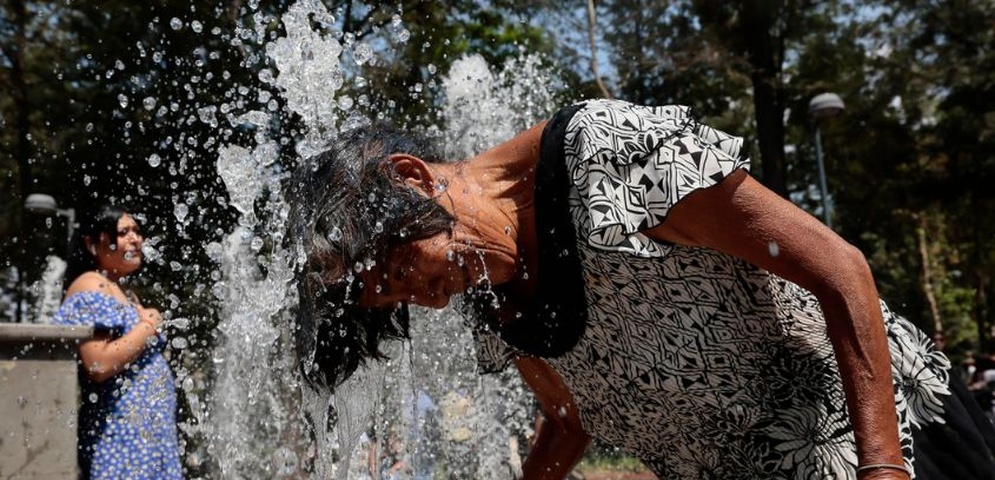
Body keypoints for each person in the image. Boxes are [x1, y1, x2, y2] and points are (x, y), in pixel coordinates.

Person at [289, 99, 995, 479]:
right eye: (400, 301)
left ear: (412, 178)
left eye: (403, 272)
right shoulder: (491, 293)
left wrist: (883, 468)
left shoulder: (605, 152)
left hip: (884, 441)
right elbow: (570, 420)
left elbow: (840, 270)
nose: (430, 299)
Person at [52, 205, 183, 479]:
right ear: (92, 243)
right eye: (123, 232)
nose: (136, 239)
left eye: (137, 231)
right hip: (121, 440)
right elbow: (98, 363)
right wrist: (149, 326)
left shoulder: (123, 292)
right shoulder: (91, 284)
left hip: (148, 439)